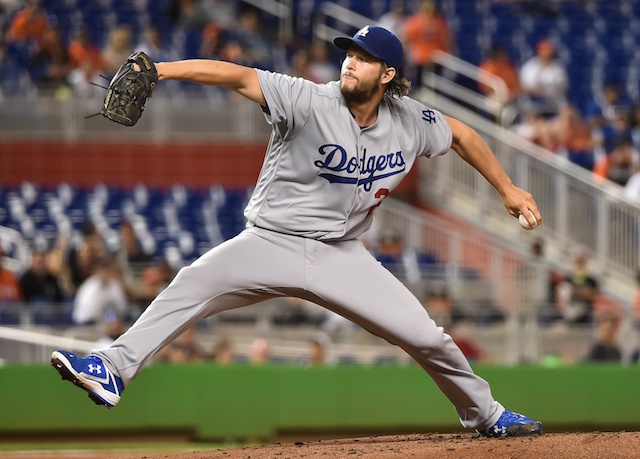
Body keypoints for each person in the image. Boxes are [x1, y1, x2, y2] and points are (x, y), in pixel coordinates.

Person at [50, 25, 543, 437]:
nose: (350, 63)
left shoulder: (410, 121)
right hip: (270, 242)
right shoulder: (306, 98)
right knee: (191, 283)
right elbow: (235, 76)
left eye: (364, 58)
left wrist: (507, 188)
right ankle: (111, 369)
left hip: (342, 255)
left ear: (388, 75)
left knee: (428, 338)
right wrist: (161, 70)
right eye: (349, 53)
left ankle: (487, 415)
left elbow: (463, 134)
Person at [519, 39, 568, 118]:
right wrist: (540, 92)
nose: (546, 56)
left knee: (567, 111)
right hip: (533, 101)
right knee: (530, 113)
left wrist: (545, 92)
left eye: (548, 53)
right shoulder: (530, 67)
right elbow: (524, 87)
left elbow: (563, 88)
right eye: (544, 53)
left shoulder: (557, 68)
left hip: (553, 102)